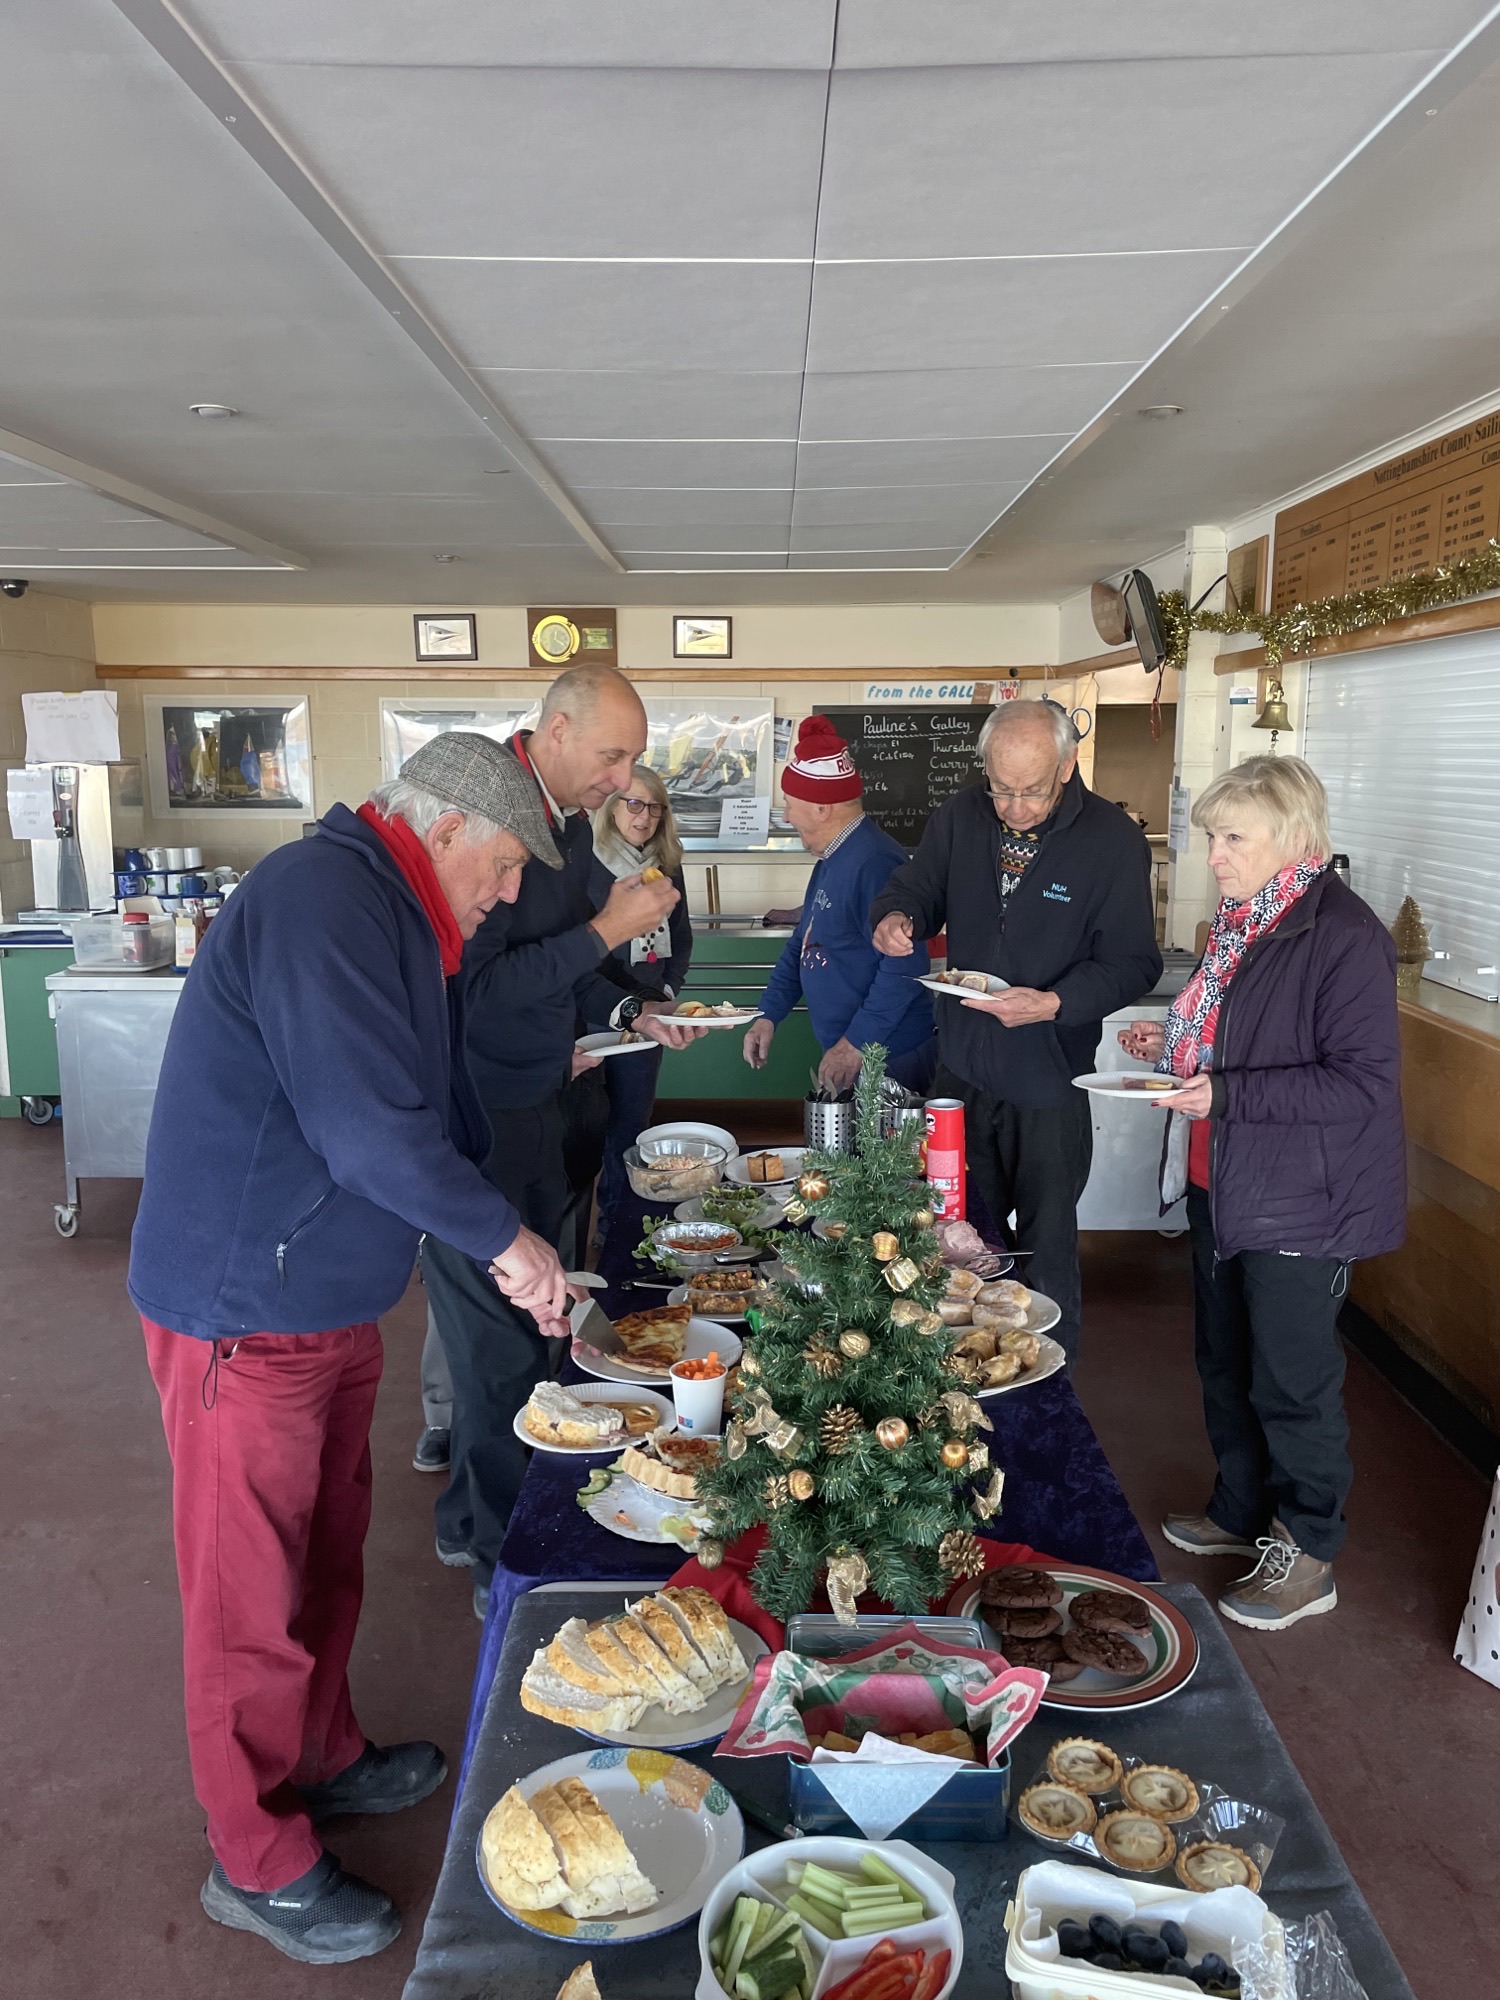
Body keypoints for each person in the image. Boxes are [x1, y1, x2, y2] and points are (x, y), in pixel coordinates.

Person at [128, 733, 576, 1965]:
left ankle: (318, 1752)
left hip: (319, 1299)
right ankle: (252, 1855)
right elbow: (365, 1124)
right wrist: (510, 1242)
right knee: (246, 1596)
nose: (504, 894)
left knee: (324, 1557)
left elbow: (424, 1098)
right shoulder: (324, 899)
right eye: (496, 869)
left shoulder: (389, 902)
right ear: (437, 833)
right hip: (243, 1308)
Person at [422, 667, 705, 1616]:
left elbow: (570, 977)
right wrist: (605, 932)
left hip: (542, 1108)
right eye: (612, 756)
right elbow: (483, 995)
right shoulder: (495, 822)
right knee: (501, 1350)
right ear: (553, 730)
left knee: (527, 1339)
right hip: (480, 1124)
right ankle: (509, 1561)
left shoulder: (559, 827)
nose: (625, 781)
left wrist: (633, 1007)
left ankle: (471, 1522)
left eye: (635, 760)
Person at [1119, 755, 1404, 1630]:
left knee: (1293, 1378)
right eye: (1211, 836)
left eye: (1232, 838)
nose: (1214, 855)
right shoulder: (1243, 924)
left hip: (1301, 1200)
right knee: (1225, 1358)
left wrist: (1228, 1090)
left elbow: (1360, 1081)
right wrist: (1169, 1044)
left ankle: (1309, 1550)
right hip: (1223, 1179)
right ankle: (1240, 1508)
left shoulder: (1345, 935)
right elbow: (1231, 1039)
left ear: (1295, 838)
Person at [872, 698, 1161, 1360]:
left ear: (1067, 765)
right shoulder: (961, 816)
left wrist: (1055, 1002)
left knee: (1046, 1249)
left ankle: (1053, 1399)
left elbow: (1134, 963)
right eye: (1001, 788)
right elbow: (914, 886)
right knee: (958, 1238)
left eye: (1031, 791)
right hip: (963, 1071)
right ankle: (963, 1390)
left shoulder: (1112, 841)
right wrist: (897, 917)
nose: (1014, 806)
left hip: (1049, 1080)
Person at [744, 715, 936, 1093]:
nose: (785, 816)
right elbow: (801, 945)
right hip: (860, 1052)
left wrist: (854, 1046)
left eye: (789, 804)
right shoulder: (832, 860)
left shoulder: (876, 863)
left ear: (821, 808)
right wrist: (768, 1014)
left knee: (886, 1155)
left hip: (887, 1057)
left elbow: (907, 967)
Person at [589, 763, 694, 1238]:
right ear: (612, 808)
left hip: (650, 1014)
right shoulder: (587, 864)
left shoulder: (666, 867)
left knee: (631, 1125)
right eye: (634, 803)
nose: (644, 815)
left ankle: (620, 1225)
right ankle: (585, 1220)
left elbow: (682, 936)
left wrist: (665, 993)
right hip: (590, 1014)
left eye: (654, 807)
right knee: (589, 1122)